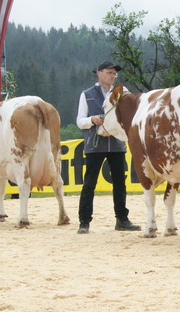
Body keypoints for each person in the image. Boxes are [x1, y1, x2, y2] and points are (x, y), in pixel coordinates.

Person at [75, 61, 140, 234]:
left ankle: (122, 219)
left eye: (114, 74)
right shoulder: (86, 94)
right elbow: (80, 121)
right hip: (95, 145)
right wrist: (92, 119)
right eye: (110, 72)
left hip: (117, 144)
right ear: (99, 73)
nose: (113, 76)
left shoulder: (122, 94)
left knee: (120, 183)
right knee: (89, 183)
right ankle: (84, 221)